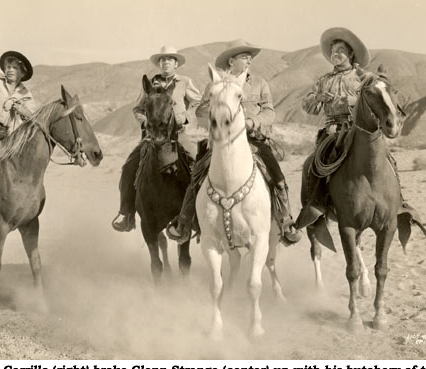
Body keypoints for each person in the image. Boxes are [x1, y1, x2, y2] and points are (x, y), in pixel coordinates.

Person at [166, 39, 301, 246]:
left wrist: (251, 122)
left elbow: (269, 111)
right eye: (244, 56)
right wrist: (215, 120)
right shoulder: (215, 85)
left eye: (250, 57)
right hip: (220, 142)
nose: (249, 60)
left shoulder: (259, 83)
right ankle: (184, 223)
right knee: (197, 176)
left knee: (278, 178)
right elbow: (200, 112)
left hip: (254, 140)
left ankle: (285, 221)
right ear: (231, 61)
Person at [112, 46, 202, 232]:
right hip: (151, 137)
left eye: (170, 59)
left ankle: (199, 217)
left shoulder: (185, 82)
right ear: (159, 64)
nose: (166, 62)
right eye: (162, 60)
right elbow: (137, 108)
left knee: (198, 165)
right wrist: (145, 121)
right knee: (128, 167)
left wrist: (185, 116)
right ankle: (126, 213)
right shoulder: (151, 83)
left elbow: (198, 104)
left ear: (176, 63)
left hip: (179, 135)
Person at [297, 27, 371, 227]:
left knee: (385, 158)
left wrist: (345, 100)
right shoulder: (324, 80)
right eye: (332, 51)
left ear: (351, 53)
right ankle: (315, 205)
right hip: (332, 131)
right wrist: (319, 97)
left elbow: (373, 100)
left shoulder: (362, 78)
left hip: (359, 129)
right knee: (310, 164)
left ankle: (400, 202)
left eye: (340, 50)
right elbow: (308, 106)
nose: (335, 54)